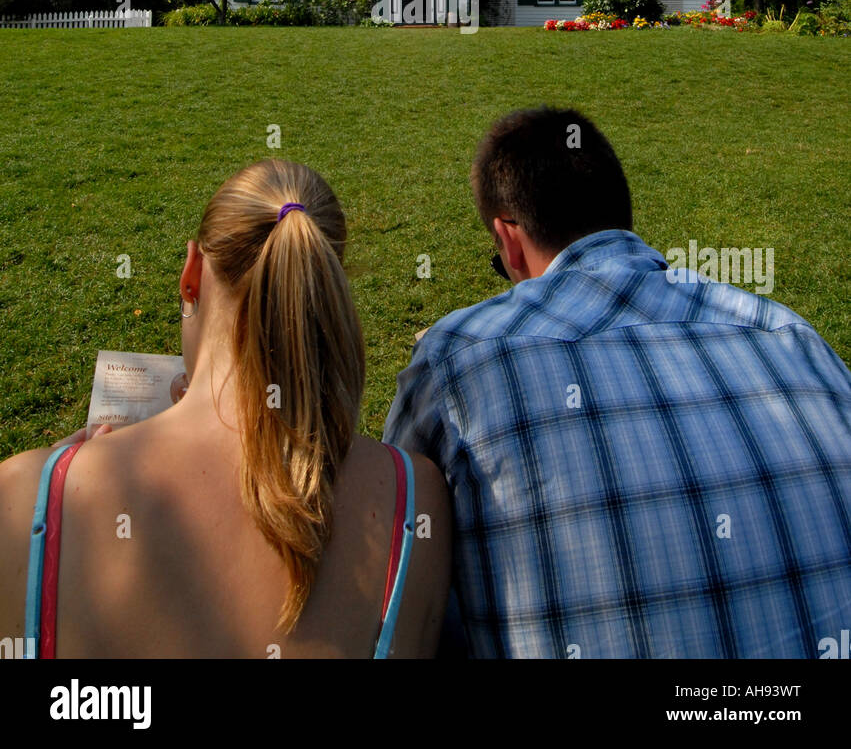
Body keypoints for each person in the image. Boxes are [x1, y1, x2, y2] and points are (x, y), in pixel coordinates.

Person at [383, 106, 851, 658]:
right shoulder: (790, 335)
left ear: (508, 241)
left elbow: (396, 573)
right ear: (620, 213)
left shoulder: (460, 359)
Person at [0, 160, 450, 658]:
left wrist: (54, 476)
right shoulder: (418, 499)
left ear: (191, 275)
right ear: (324, 285)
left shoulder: (20, 498)